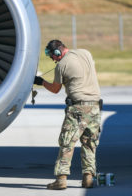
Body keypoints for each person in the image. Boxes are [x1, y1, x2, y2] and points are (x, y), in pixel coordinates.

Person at [34, 40, 102, 190]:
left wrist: (40, 81)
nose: (52, 59)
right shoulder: (85, 53)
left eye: (52, 56)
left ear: (57, 53)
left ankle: (61, 179)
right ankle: (88, 178)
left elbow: (54, 89)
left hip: (78, 108)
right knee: (89, 144)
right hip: (95, 107)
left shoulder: (61, 65)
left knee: (67, 143)